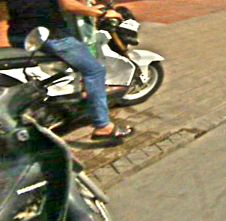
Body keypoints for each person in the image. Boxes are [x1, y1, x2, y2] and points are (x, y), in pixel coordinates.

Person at [6, 0, 133, 143]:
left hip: (18, 34)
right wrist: (101, 13)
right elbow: (68, 4)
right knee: (95, 70)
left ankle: (78, 93)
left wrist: (87, 8)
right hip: (49, 35)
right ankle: (103, 126)